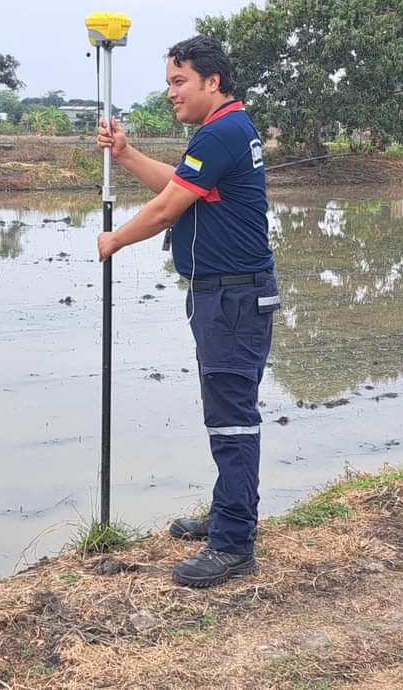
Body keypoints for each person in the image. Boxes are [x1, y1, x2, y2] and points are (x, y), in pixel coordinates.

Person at [96, 35, 279, 588]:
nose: (172, 93)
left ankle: (233, 545)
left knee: (232, 419)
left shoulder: (222, 132)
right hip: (224, 296)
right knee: (226, 414)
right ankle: (228, 515)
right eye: (169, 83)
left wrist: (115, 240)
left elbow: (164, 210)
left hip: (232, 299)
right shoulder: (223, 130)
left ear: (212, 82)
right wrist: (125, 154)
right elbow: (179, 187)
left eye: (180, 82)